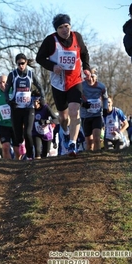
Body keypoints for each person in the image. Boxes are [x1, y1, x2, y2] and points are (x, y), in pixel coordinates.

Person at [36, 13, 91, 157]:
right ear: (56, 29)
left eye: (66, 26)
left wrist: (86, 68)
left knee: (74, 111)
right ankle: (65, 131)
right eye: (60, 27)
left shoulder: (77, 37)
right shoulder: (50, 40)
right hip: (58, 83)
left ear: (70, 26)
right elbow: (39, 58)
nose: (64, 30)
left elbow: (84, 53)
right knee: (63, 117)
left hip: (75, 81)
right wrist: (52, 66)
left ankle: (72, 143)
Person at [4, 53, 46, 160]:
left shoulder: (31, 74)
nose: (21, 66)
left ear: (26, 63)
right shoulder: (12, 75)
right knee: (18, 134)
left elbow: (40, 87)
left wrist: (42, 98)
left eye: (23, 63)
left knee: (28, 132)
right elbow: (6, 91)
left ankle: (29, 156)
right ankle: (21, 144)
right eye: (19, 64)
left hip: (28, 108)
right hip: (16, 108)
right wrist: (9, 102)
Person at [0, 75, 20, 159]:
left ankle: (19, 165)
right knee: (5, 147)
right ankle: (8, 166)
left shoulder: (14, 91)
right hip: (4, 125)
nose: (2, 84)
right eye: (0, 83)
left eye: (4, 82)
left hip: (16, 124)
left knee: (17, 150)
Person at [80, 69, 109, 151]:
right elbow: (75, 98)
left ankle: (97, 158)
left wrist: (105, 108)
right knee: (89, 142)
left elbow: (105, 98)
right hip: (85, 116)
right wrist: (83, 104)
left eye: (93, 77)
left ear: (96, 78)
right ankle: (88, 160)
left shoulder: (101, 86)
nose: (91, 79)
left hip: (97, 115)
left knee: (96, 139)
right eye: (90, 76)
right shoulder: (82, 86)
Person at [31, 91, 58, 159]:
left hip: (46, 133)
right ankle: (36, 167)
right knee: (37, 151)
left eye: (36, 101)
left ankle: (42, 167)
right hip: (36, 133)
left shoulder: (46, 108)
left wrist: (46, 121)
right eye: (33, 101)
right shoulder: (30, 109)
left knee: (45, 153)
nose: (34, 104)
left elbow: (56, 120)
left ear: (40, 101)